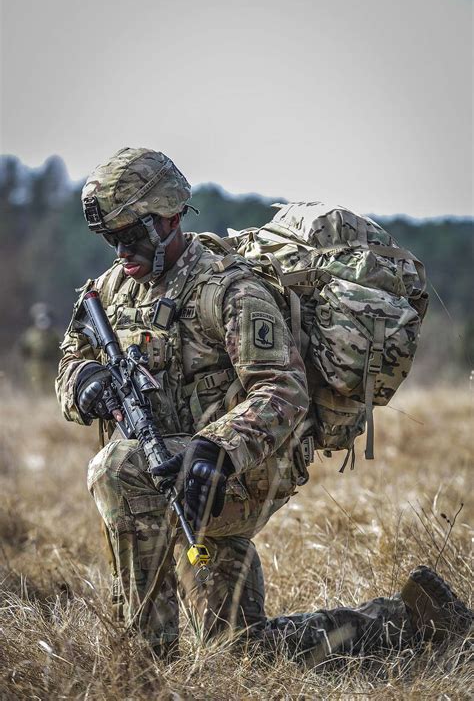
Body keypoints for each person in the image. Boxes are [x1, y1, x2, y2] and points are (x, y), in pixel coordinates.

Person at [56, 147, 470, 663]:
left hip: (235, 479)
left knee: (117, 467)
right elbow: (71, 359)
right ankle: (413, 622)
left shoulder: (229, 290)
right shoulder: (108, 292)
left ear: (169, 218)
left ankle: (145, 662)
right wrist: (84, 382)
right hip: (173, 484)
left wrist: (215, 450)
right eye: (110, 238)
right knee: (239, 654)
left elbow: (283, 389)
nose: (121, 250)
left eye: (131, 234)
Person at [20, 302, 60, 393]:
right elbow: (24, 350)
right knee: (36, 387)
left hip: (51, 366)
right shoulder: (30, 334)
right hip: (35, 366)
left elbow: (59, 350)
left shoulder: (54, 335)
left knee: (51, 387)